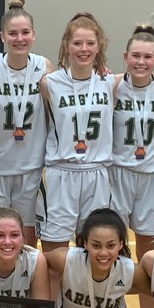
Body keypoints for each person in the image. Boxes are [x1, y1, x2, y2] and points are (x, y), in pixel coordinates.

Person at [0, 0, 54, 247]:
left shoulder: (44, 67)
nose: (19, 39)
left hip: (30, 168)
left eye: (25, 33)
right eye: (13, 33)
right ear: (2, 36)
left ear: (34, 34)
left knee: (27, 242)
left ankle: (25, 286)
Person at [109, 25, 154, 308]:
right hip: (118, 173)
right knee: (113, 247)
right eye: (135, 55)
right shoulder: (111, 84)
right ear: (125, 57)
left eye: (148, 56)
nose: (141, 61)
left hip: (151, 176)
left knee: (148, 252)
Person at [38, 13, 117, 255]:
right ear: (66, 45)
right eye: (77, 43)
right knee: (54, 255)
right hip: (61, 172)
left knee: (95, 253)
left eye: (90, 43)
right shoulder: (48, 83)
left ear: (99, 46)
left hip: (97, 174)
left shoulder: (111, 82)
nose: (84, 49)